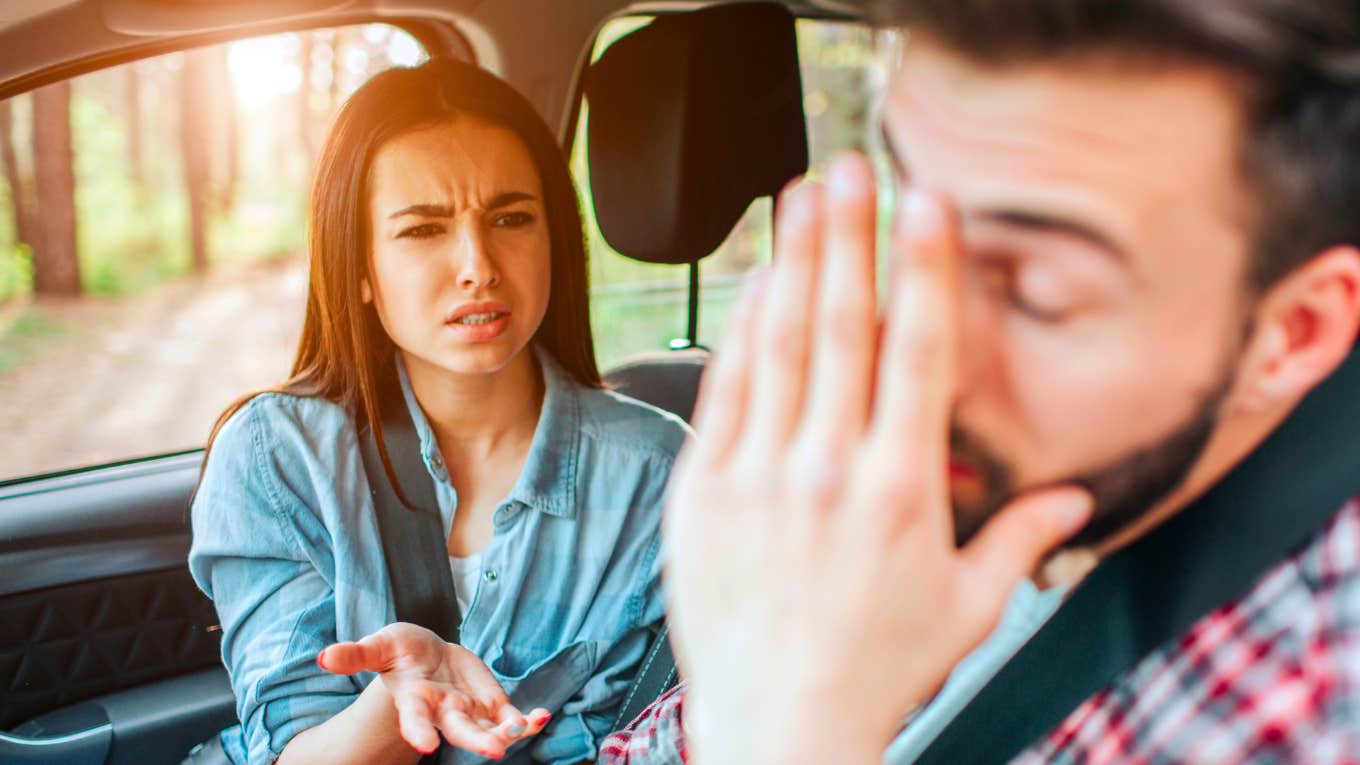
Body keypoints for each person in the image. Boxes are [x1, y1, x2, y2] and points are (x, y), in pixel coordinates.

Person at [604, 1, 1360, 763]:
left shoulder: (1317, 700)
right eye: (915, 227)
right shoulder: (904, 514)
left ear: (1292, 332)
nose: (912, 350)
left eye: (1039, 290)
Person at [189, 57, 687, 765]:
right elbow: (292, 749)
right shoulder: (276, 457)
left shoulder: (661, 473)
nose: (478, 264)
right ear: (358, 266)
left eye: (511, 217)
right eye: (424, 230)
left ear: (556, 244)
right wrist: (395, 706)